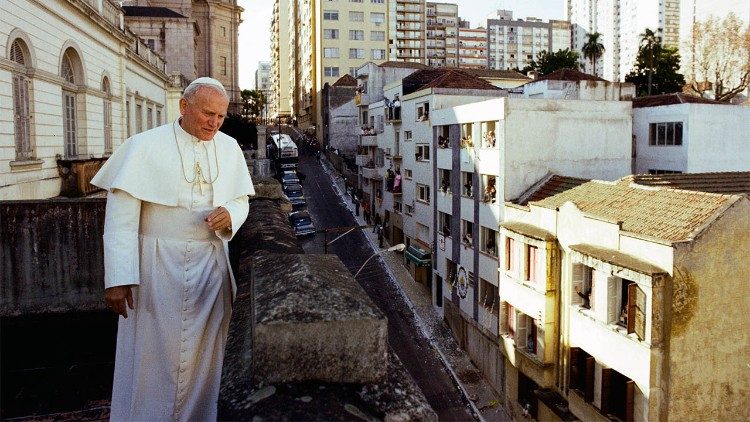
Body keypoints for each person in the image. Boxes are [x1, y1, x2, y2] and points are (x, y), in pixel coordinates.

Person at [92, 77, 254, 421]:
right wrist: (118, 278)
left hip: (209, 269)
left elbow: (241, 198)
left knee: (205, 355)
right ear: (184, 106)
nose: (214, 123)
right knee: (151, 356)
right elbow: (120, 221)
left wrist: (232, 214)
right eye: (208, 114)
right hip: (155, 267)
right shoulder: (142, 146)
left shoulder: (229, 148)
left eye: (221, 117)